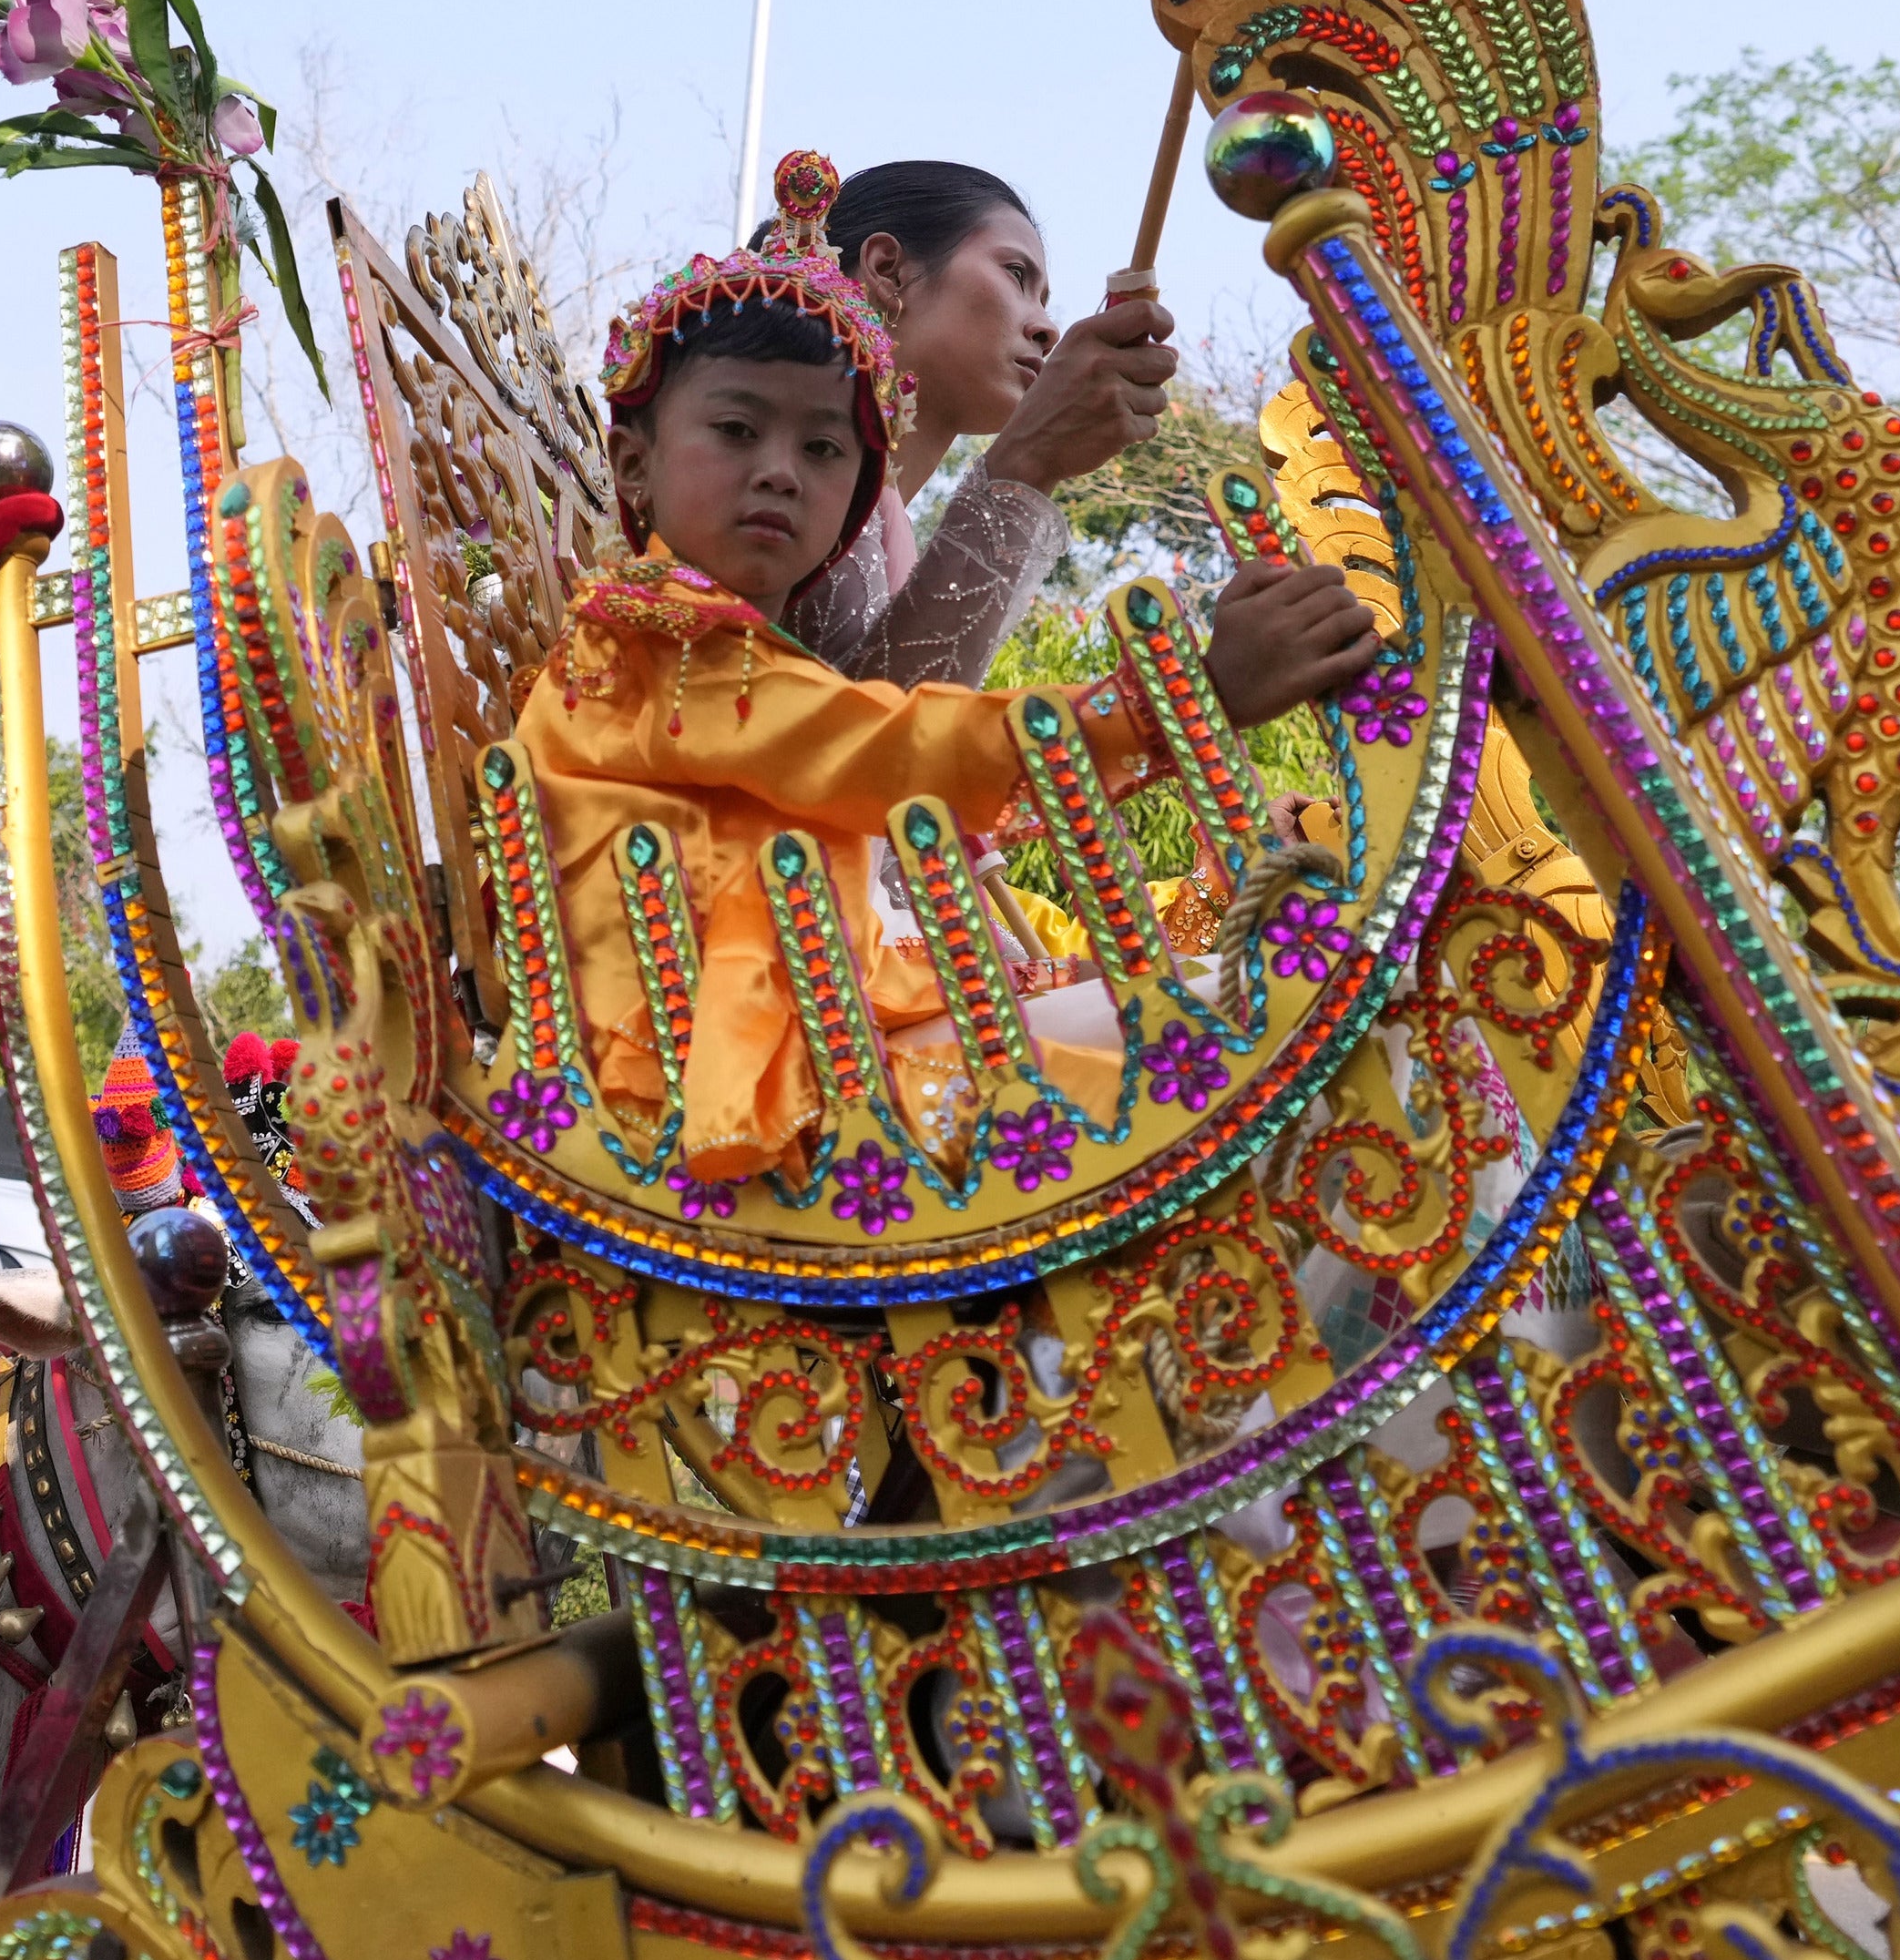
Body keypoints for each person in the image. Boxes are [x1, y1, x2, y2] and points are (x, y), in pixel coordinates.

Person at [520, 153, 1377, 1186]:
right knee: (1274, 1032)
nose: (783, 471)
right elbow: (885, 746)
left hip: (808, 1029)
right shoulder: (657, 634)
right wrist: (1176, 703)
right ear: (634, 467)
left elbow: (883, 763)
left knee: (1302, 1002)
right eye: (737, 428)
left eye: (828, 449)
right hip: (741, 1091)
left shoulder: (734, 615)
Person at [792, 158, 1181, 687]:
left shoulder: (883, 513)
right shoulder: (781, 469)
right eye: (1016, 275)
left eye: (1044, 300)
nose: (1047, 327)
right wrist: (1028, 460)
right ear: (888, 270)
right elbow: (863, 740)